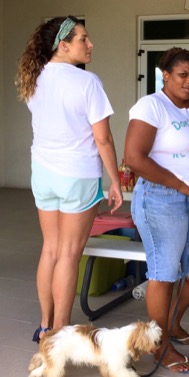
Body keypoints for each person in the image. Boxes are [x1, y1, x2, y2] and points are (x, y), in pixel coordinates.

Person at [15, 16, 123, 342]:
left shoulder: (34, 79)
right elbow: (103, 139)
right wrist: (115, 181)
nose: (90, 45)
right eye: (83, 39)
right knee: (69, 254)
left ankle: (45, 325)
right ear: (64, 45)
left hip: (43, 174)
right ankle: (60, 334)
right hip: (77, 175)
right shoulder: (87, 83)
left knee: (50, 249)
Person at [124, 47, 189, 374]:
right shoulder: (152, 106)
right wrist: (180, 185)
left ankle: (172, 324)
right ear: (165, 75)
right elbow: (134, 158)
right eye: (183, 75)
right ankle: (159, 346)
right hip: (160, 199)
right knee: (164, 274)